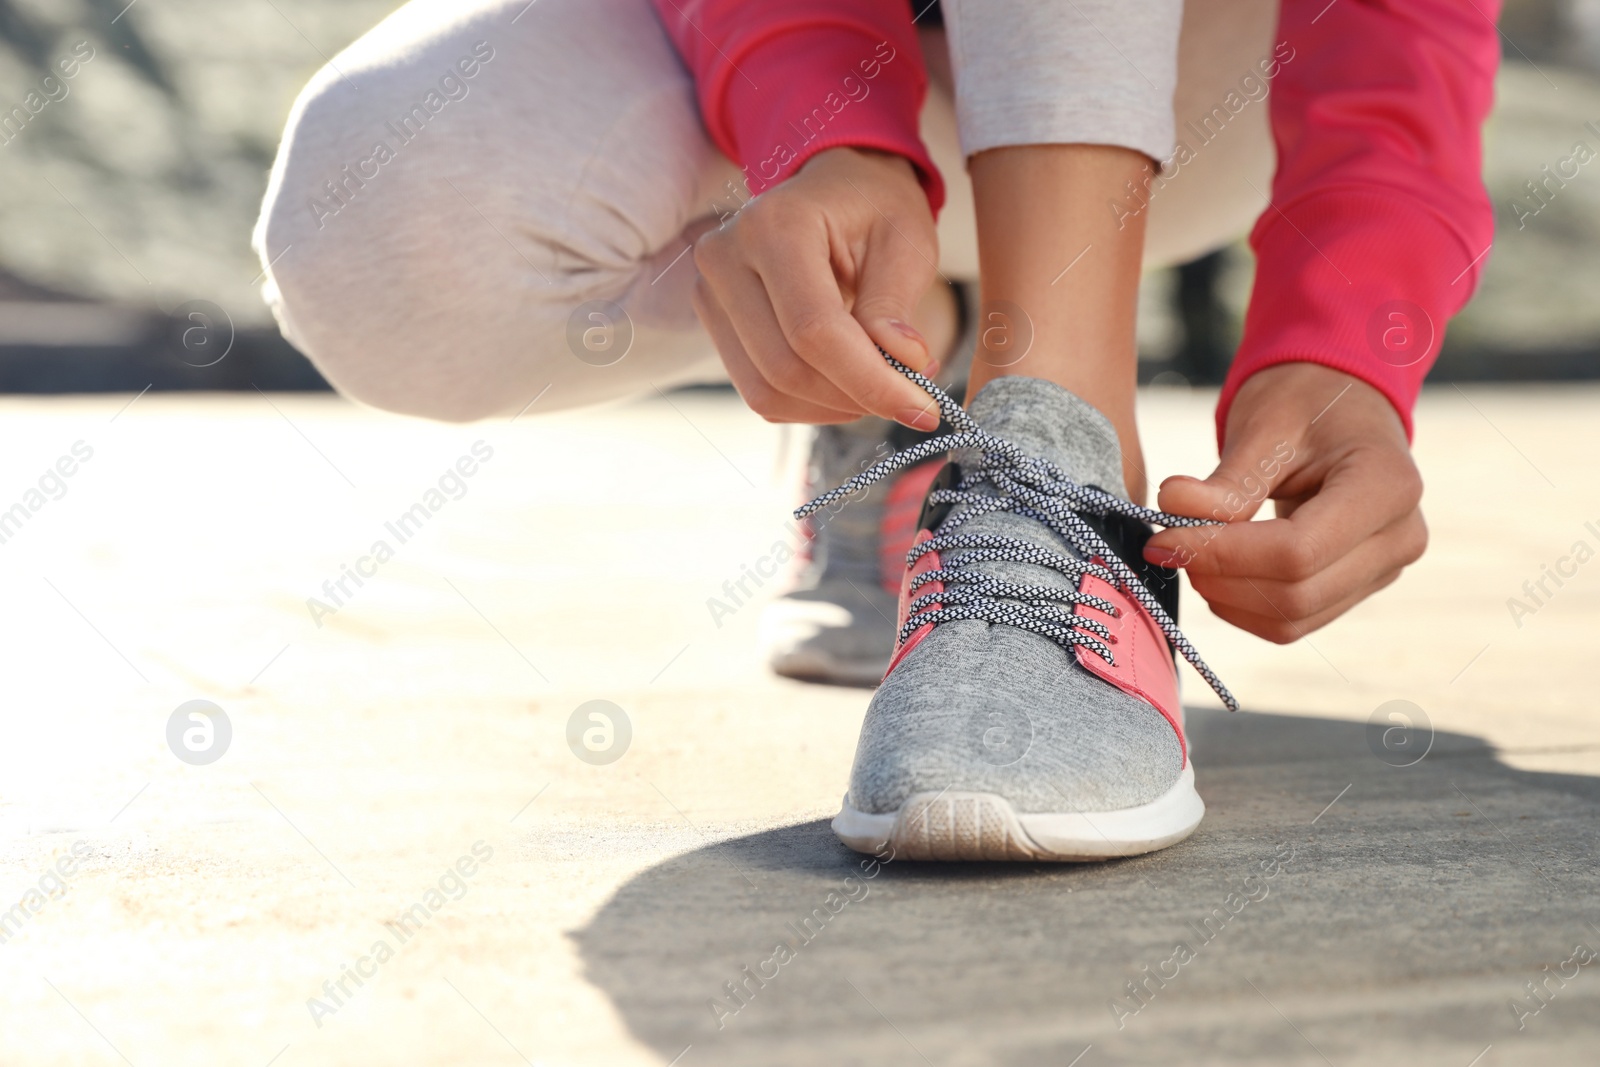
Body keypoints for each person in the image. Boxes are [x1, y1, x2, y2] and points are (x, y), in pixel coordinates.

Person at [253, 0, 1500, 860]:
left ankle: (1060, 443)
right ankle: (920, 365)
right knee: (383, 236)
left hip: (1203, 76)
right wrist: (822, 128)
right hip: (842, 52)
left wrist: (1345, 340)